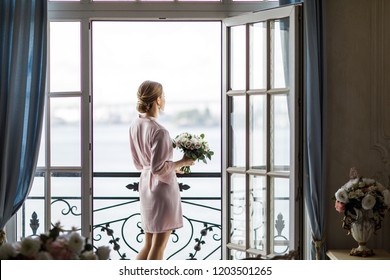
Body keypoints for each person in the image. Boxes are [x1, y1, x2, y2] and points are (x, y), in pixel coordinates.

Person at [129, 80, 195, 260]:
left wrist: (171, 168)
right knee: (159, 246)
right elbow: (159, 168)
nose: (164, 99)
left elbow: (139, 164)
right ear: (158, 100)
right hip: (162, 190)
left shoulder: (135, 125)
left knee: (149, 243)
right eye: (163, 96)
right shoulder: (160, 131)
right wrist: (183, 162)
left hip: (145, 187)